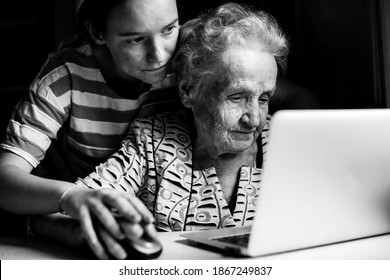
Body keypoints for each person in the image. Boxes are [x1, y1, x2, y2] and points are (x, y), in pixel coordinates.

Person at [74, 1, 288, 236]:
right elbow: (71, 209)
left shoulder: (286, 144)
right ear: (188, 91)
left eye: (264, 98)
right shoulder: (151, 144)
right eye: (236, 97)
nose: (255, 119)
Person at [0, 0, 180, 259]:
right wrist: (70, 196)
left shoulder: (190, 64)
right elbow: (5, 179)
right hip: (74, 225)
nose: (160, 55)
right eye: (136, 39)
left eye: (169, 29)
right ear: (97, 33)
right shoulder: (64, 78)